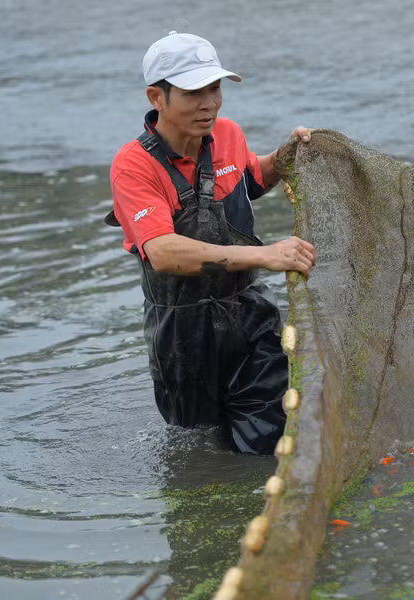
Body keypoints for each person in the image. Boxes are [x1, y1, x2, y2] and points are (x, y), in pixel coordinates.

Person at [105, 31, 316, 454]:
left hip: (251, 318)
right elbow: (163, 252)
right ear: (156, 97)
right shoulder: (133, 166)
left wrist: (287, 156)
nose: (208, 103)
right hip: (184, 337)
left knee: (268, 443)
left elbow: (250, 178)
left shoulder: (229, 135)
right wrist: (265, 255)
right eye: (192, 92)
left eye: (214, 88)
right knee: (199, 452)